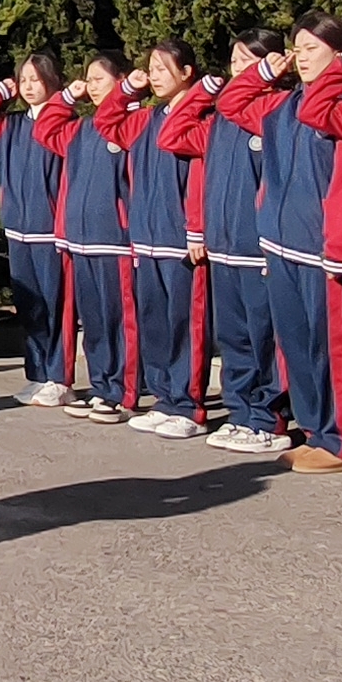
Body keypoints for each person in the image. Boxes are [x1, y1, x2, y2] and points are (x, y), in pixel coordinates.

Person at [257, 12, 342, 475]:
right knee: (297, 344)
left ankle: (340, 437)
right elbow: (237, 102)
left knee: (331, 347)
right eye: (297, 49)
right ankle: (313, 429)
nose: (301, 58)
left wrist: (340, 242)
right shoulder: (285, 104)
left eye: (312, 49)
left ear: (339, 53)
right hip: (281, 241)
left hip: (322, 246)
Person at [184, 31, 294, 452]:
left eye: (250, 60)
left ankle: (269, 419)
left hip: (256, 247)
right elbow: (173, 134)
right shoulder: (220, 119)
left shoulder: (275, 110)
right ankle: (240, 412)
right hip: (224, 247)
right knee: (234, 340)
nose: (239, 68)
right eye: (234, 60)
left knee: (265, 338)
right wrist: (202, 92)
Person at [0, 53, 74, 406]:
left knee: (56, 306)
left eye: (36, 79)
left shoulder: (63, 124)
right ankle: (38, 374)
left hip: (51, 232)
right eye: (23, 80)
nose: (29, 87)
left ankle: (60, 378)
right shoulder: (10, 126)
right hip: (19, 230)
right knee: (29, 306)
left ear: (53, 81)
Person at [115, 40, 210, 439]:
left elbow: (200, 177)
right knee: (155, 322)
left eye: (161, 68)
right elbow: (108, 123)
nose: (154, 76)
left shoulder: (200, 117)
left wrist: (196, 229)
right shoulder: (149, 117)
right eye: (150, 68)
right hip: (148, 238)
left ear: (187, 73)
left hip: (180, 241)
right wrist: (126, 89)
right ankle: (164, 397)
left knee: (184, 323)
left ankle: (188, 404)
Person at [46, 54, 135, 424]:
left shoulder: (132, 123)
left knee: (119, 320)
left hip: (116, 240)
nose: (92, 86)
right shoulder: (82, 128)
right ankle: (100, 385)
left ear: (122, 79)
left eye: (99, 79)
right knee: (95, 321)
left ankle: (122, 392)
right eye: (89, 79)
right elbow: (45, 129)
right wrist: (68, 96)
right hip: (82, 240)